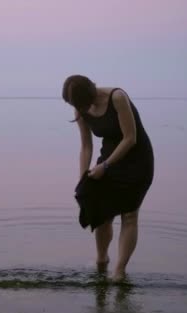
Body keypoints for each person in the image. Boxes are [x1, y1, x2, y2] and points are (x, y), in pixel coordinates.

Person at [62, 75, 154, 281]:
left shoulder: (117, 97)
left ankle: (119, 271)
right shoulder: (81, 109)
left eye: (79, 103)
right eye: (74, 104)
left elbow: (131, 138)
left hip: (137, 160)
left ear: (90, 93)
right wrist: (82, 177)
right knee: (102, 215)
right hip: (108, 158)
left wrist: (105, 166)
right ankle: (101, 260)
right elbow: (86, 146)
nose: (78, 108)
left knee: (129, 216)